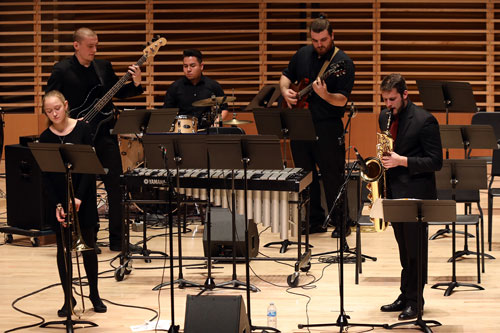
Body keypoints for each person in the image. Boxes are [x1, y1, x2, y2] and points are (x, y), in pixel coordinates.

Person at [46, 27, 144, 252]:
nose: (94, 50)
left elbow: (118, 93)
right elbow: (50, 101)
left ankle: (118, 240)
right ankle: (87, 238)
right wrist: (66, 123)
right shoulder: (61, 70)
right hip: (77, 137)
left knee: (116, 186)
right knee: (84, 189)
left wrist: (136, 83)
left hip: (104, 135)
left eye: (96, 45)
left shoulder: (103, 67)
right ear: (76, 45)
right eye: (90, 46)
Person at [279, 14, 355, 236]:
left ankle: (342, 223)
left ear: (332, 36)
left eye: (323, 40)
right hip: (300, 124)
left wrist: (326, 94)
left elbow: (342, 99)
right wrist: (285, 91)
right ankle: (314, 221)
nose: (319, 45)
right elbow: (285, 77)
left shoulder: (343, 63)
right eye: (315, 40)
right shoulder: (302, 54)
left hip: (328, 126)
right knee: (305, 175)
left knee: (333, 176)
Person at [378, 73, 442, 320]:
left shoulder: (425, 120)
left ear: (405, 94)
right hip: (393, 192)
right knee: (403, 249)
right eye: (384, 100)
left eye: (392, 99)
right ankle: (405, 295)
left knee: (416, 250)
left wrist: (400, 161)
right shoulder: (384, 117)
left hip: (417, 195)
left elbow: (435, 162)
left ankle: (416, 301)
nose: (388, 105)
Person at [39, 90, 107, 316]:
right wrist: (58, 204)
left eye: (57, 108)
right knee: (63, 250)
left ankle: (94, 295)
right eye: (49, 111)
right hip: (60, 201)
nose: (54, 113)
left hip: (82, 198)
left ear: (66, 105)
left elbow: (89, 167)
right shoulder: (45, 138)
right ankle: (68, 298)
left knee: (88, 246)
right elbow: (46, 176)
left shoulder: (83, 129)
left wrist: (78, 197)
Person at [163, 49, 229, 129]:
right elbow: (166, 112)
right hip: (183, 132)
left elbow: (224, 108)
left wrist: (217, 122)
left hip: (208, 131)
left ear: (201, 66)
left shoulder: (213, 86)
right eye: (185, 66)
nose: (188, 70)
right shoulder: (175, 87)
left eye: (192, 66)